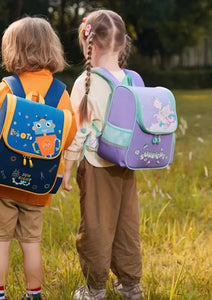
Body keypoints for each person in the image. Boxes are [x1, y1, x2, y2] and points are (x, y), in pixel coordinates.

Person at [0, 16, 76, 300]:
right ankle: (34, 294)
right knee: (31, 244)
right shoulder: (60, 93)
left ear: (12, 51)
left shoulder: (8, 86)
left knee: (0, 243)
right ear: (52, 48)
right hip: (37, 183)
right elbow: (70, 133)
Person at [62, 10, 144, 300]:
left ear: (90, 44)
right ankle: (131, 284)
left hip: (97, 165)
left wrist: (68, 169)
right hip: (127, 164)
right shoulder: (133, 79)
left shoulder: (87, 82)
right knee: (126, 223)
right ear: (122, 44)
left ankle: (95, 288)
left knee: (97, 224)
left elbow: (78, 132)